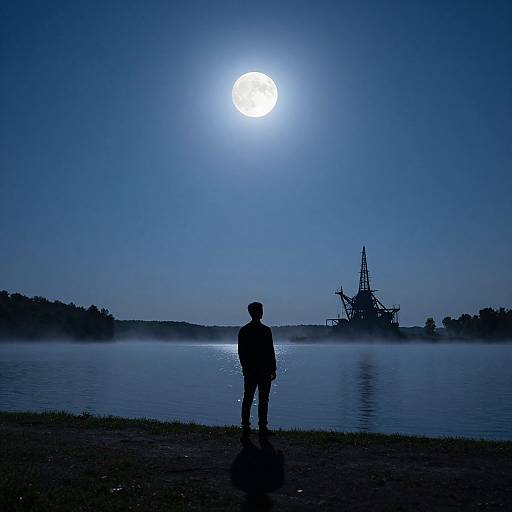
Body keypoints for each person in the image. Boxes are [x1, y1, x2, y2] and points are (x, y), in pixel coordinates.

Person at [238, 302, 277, 438]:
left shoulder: (244, 330)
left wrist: (245, 367)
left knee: (250, 398)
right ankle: (260, 427)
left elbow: (241, 353)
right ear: (258, 312)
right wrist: (273, 368)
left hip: (254, 370)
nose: (262, 312)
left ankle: (247, 426)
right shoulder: (265, 330)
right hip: (262, 370)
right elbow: (270, 351)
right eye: (260, 310)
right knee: (260, 399)